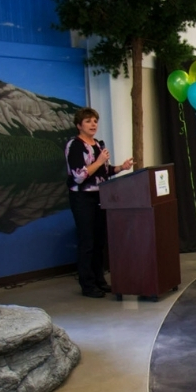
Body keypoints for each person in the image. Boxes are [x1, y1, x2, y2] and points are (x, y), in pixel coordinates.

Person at [64, 107, 134, 298]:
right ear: (79, 125)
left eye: (95, 121)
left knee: (99, 240)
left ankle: (99, 280)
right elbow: (79, 176)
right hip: (82, 197)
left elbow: (104, 172)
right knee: (87, 240)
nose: (93, 124)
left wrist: (121, 167)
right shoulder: (74, 145)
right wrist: (100, 159)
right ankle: (87, 285)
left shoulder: (98, 144)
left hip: (100, 196)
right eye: (88, 121)